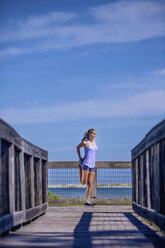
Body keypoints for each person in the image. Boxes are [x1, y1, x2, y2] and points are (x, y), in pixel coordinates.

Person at [76, 128, 98, 207]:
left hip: (92, 165)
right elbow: (77, 148)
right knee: (83, 182)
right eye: (93, 133)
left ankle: (87, 201)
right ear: (89, 134)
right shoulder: (85, 143)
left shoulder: (95, 143)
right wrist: (80, 158)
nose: (94, 135)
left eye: (95, 134)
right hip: (85, 164)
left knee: (89, 184)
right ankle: (79, 169)